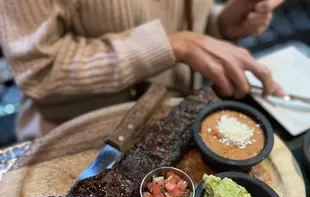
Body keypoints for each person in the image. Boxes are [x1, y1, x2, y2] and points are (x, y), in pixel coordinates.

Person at [0, 0, 284, 141]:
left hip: (178, 119)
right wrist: (174, 45)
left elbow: (168, 19)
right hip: (81, 139)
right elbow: (40, 71)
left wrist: (218, 25)